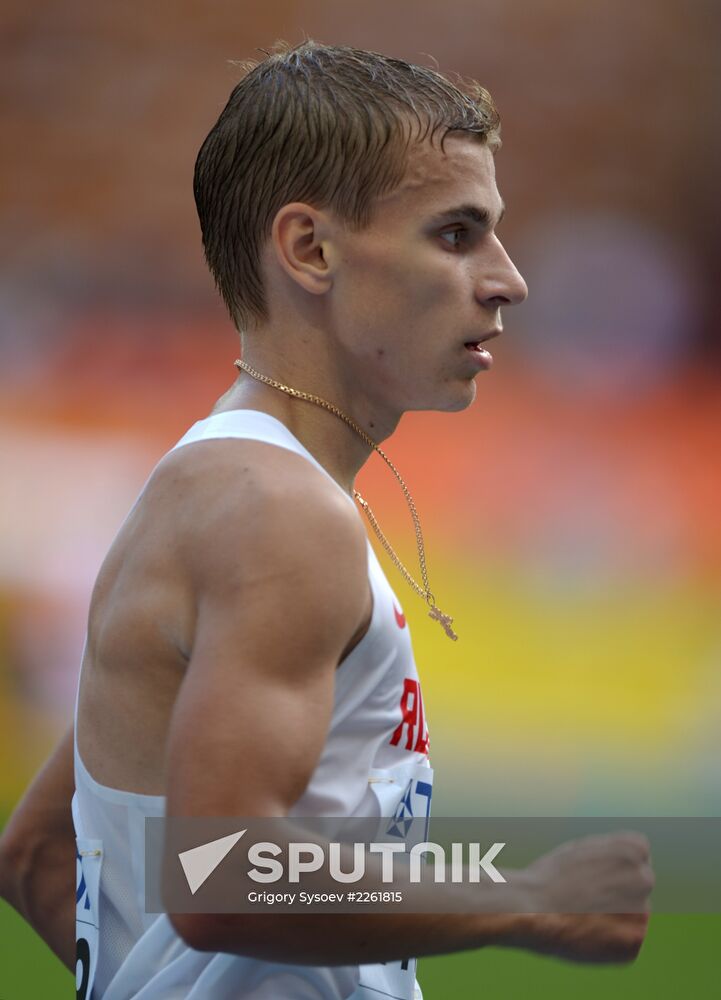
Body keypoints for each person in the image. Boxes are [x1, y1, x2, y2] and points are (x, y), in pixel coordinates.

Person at [0, 39, 653, 1000]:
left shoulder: (219, 484)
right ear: (310, 249)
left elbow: (35, 854)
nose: (507, 278)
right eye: (455, 233)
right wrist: (527, 897)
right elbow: (222, 874)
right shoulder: (276, 511)